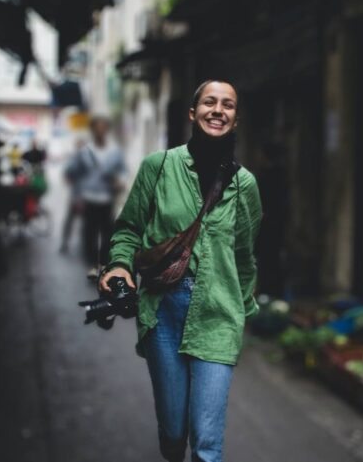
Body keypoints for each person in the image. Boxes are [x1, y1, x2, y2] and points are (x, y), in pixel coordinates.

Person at [100, 80, 262, 462]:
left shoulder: (245, 185)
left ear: (235, 119)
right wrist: (120, 265)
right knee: (174, 431)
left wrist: (241, 311)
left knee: (206, 444)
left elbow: (245, 256)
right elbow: (128, 230)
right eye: (209, 102)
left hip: (219, 315)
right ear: (193, 113)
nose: (218, 110)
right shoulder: (158, 168)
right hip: (163, 311)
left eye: (228, 105)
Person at [64, 116, 127, 278]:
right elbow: (72, 173)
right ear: (92, 130)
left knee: (108, 236)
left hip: (107, 199)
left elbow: (123, 170)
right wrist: (76, 196)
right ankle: (92, 266)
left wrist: (120, 181)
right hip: (89, 199)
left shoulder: (114, 152)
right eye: (97, 128)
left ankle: (103, 266)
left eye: (103, 127)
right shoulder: (84, 152)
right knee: (89, 236)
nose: (100, 131)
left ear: (107, 130)